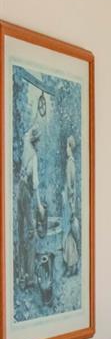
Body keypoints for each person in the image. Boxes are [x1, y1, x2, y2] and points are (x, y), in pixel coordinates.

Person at [16, 125, 42, 291]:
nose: (39, 143)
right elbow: (35, 185)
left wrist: (32, 129)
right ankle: (30, 278)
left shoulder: (26, 144)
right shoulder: (34, 157)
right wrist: (39, 205)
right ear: (36, 141)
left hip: (19, 190)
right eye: (38, 140)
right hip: (27, 193)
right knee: (32, 233)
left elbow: (26, 133)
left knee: (21, 231)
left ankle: (20, 276)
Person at [62, 135, 79, 276]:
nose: (66, 149)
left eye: (67, 146)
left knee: (69, 234)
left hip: (69, 203)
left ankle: (71, 266)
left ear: (71, 147)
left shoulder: (70, 163)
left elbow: (72, 187)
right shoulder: (69, 162)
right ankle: (71, 264)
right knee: (68, 234)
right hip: (67, 202)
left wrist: (72, 207)